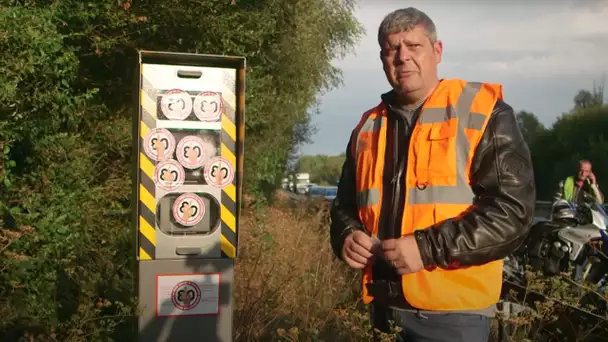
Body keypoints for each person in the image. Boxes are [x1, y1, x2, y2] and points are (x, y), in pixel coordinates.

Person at [329, 7, 536, 342]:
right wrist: (346, 234)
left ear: (437, 52)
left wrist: (427, 248)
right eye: (391, 50)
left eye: (413, 46)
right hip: (382, 311)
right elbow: (343, 205)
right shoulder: (368, 126)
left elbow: (513, 213)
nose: (402, 58)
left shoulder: (483, 111)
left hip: (454, 318)